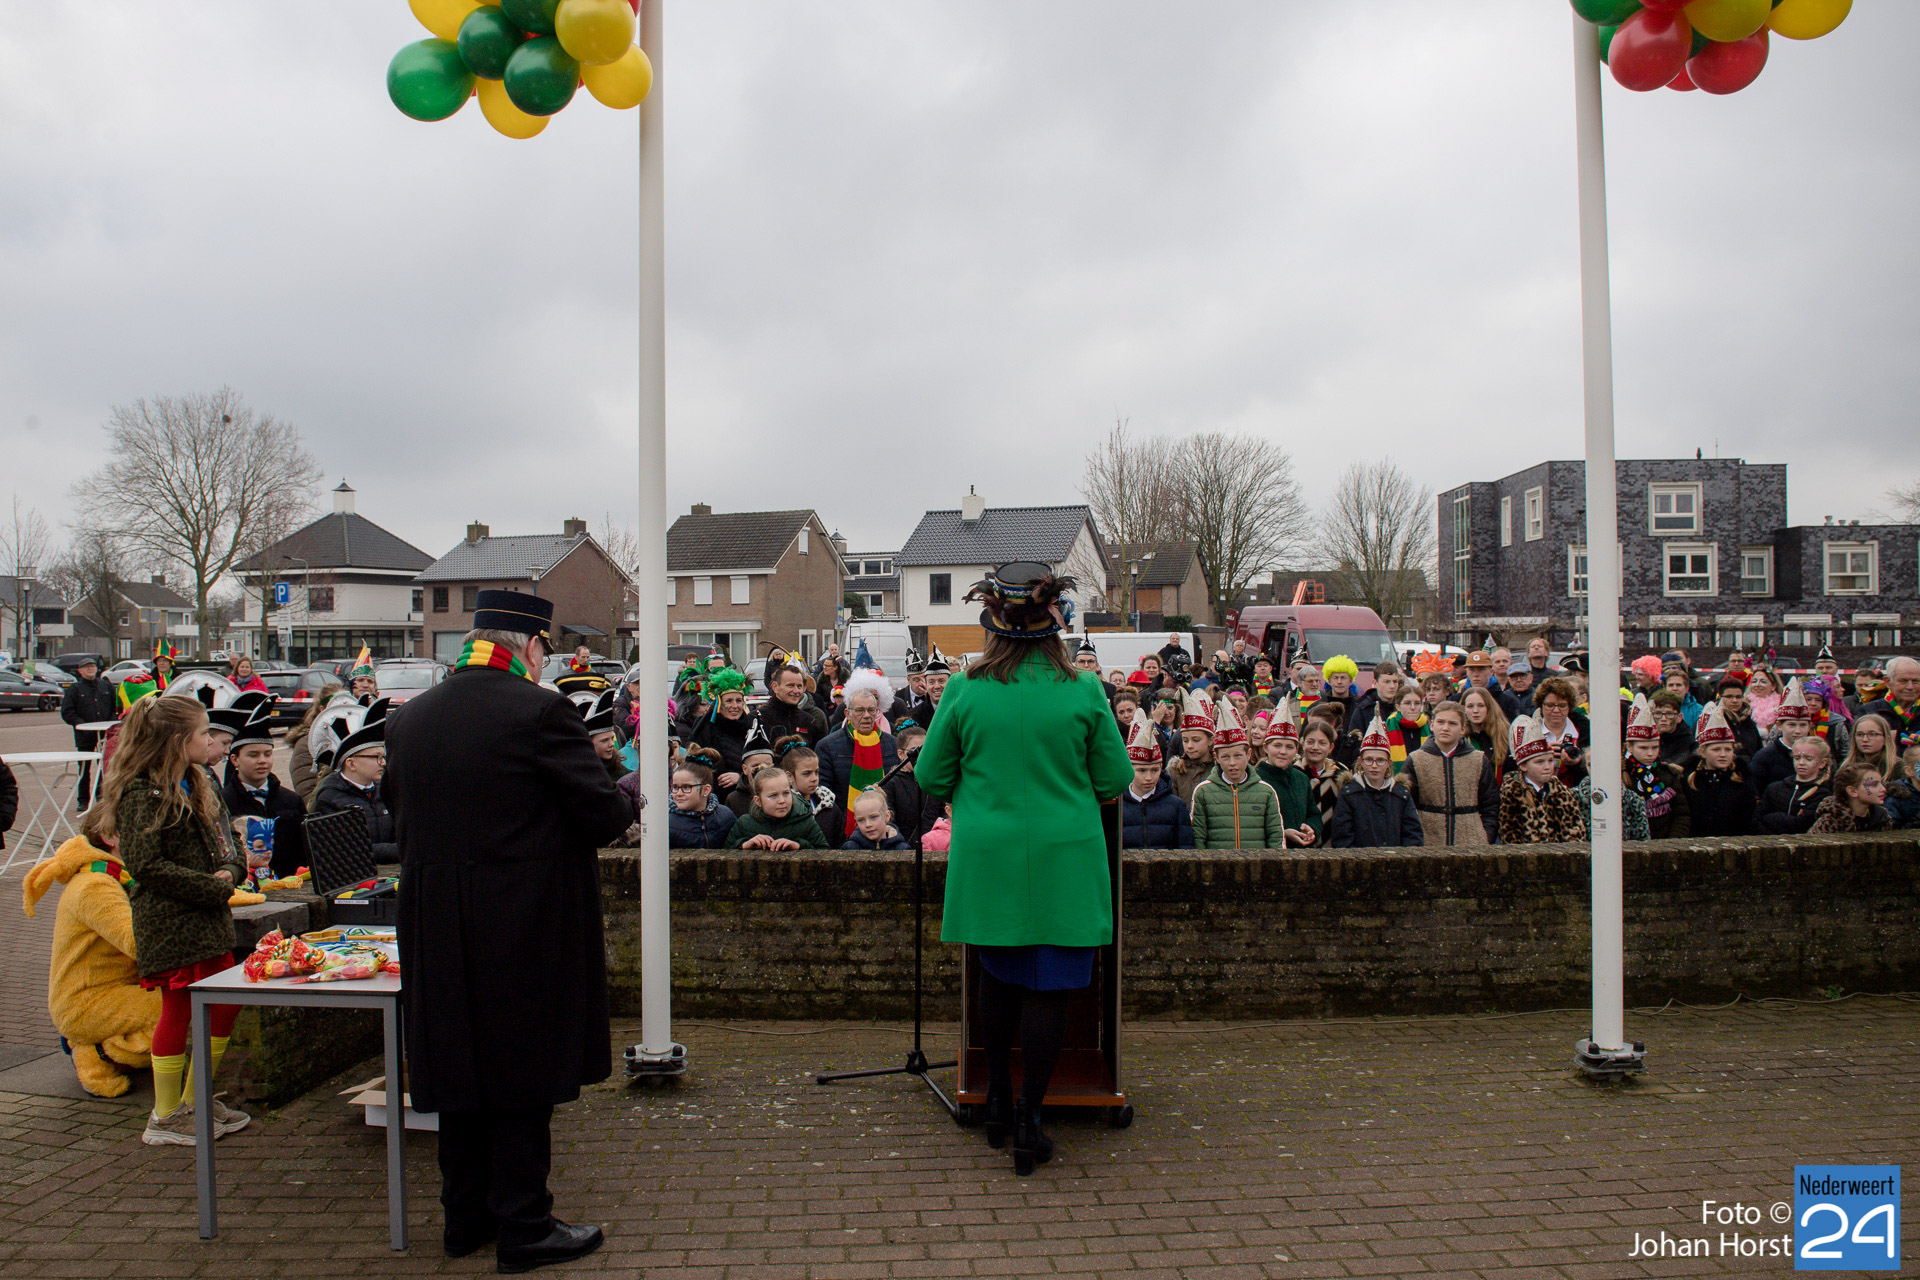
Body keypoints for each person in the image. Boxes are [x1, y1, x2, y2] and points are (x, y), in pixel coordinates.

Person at [386, 590, 639, 1270]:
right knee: (521, 1068)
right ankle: (524, 1226)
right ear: (530, 647)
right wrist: (622, 788)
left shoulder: (410, 717)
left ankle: (464, 1218)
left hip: (434, 919)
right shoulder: (542, 711)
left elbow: (400, 812)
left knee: (458, 1061)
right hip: (520, 918)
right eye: (544, 651)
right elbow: (602, 817)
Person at [915, 563, 1134, 1176]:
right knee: (1051, 985)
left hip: (990, 853)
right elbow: (1114, 779)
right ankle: (1030, 1121)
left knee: (998, 972)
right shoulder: (1083, 690)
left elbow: (931, 775)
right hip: (1067, 854)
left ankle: (996, 1100)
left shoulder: (964, 689)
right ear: (1054, 623)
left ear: (994, 623)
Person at [101, 693, 250, 1148]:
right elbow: (146, 865)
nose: (212, 741)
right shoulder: (141, 793)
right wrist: (213, 886)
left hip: (208, 917)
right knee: (179, 1009)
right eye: (204, 733)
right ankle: (166, 1115)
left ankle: (195, 1101)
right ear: (177, 739)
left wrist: (233, 869)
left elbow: (227, 841)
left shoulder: (199, 781)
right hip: (170, 923)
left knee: (224, 1005)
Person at [22, 804, 162, 1098]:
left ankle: (98, 1045)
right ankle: (97, 1052)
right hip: (87, 1000)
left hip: (119, 989)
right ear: (110, 837)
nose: (152, 837)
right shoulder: (95, 885)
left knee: (183, 1006)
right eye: (140, 830)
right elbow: (138, 942)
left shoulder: (121, 875)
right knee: (184, 1010)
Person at [221, 702, 308, 879]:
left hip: (289, 883)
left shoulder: (291, 800)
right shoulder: (222, 801)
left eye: (267, 754)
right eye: (253, 755)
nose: (262, 760)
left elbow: (304, 852)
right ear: (235, 760)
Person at [813, 670, 899, 845]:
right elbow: (824, 793)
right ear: (847, 713)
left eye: (871, 710)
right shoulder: (827, 746)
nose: (866, 716)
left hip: (886, 830)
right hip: (844, 832)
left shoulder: (892, 744)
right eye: (859, 710)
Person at [1190, 700, 1285, 850]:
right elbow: (1197, 838)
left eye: (1238, 756)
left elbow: (1276, 838)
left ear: (1248, 754)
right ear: (1216, 757)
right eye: (1225, 757)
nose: (1232, 763)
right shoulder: (1203, 792)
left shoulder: (1266, 792)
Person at [1403, 700, 1498, 847]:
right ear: (1432, 725)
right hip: (1428, 843)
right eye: (1440, 722)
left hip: (1471, 844)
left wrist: (1485, 838)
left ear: (1463, 729)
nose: (1445, 728)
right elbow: (1406, 807)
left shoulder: (1479, 760)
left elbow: (1490, 805)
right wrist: (1415, 842)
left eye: (1452, 723)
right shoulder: (1415, 760)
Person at [311, 707, 397, 862]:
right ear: (351, 764)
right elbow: (349, 849)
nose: (383, 763)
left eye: (383, 756)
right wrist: (398, 850)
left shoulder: (386, 789)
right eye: (376, 757)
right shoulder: (330, 798)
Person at [1329, 717, 1421, 848]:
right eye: (1369, 759)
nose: (1374, 765)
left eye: (1380, 760)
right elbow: (1342, 837)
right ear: (1360, 761)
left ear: (1388, 763)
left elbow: (1413, 835)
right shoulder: (1349, 794)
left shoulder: (1401, 795)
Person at [1498, 716, 1585, 844]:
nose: (1547, 767)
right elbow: (1510, 838)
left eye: (1550, 761)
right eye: (1539, 762)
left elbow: (1575, 831)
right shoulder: (1512, 793)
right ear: (1523, 766)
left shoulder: (1561, 791)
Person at [1118, 708, 1194, 849]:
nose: (1149, 777)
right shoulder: (1116, 806)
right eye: (1141, 770)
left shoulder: (1176, 806)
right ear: (1128, 768)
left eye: (1154, 770)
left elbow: (1186, 848)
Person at [1253, 698, 1319, 847]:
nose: (1283, 752)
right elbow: (1251, 824)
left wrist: (1311, 829)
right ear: (1266, 747)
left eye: (1289, 747)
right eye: (1277, 745)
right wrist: (1283, 833)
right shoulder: (1255, 780)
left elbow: (1313, 814)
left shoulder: (1301, 779)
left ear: (1296, 750)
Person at [1623, 694, 1690, 839]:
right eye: (1643, 748)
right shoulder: (1621, 777)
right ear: (1630, 746)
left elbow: (1681, 814)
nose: (1650, 753)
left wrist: (1672, 842)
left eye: (1655, 747)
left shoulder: (1668, 774)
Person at [1683, 702, 1756, 837]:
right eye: (1716, 749)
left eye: (1728, 750)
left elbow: (1749, 818)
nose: (1723, 754)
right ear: (1703, 752)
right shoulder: (1690, 780)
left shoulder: (1742, 780)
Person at [723, 764, 831, 850]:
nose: (782, 801)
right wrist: (744, 845)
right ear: (758, 801)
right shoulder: (744, 824)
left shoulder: (806, 822)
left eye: (786, 793)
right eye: (773, 796)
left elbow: (824, 853)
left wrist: (799, 845)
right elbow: (725, 853)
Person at [60, 656, 117, 810]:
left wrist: (110, 724)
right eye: (87, 667)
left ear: (97, 669)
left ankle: (102, 798)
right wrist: (82, 725)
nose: (90, 669)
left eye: (92, 666)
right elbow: (67, 712)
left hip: (104, 736)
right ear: (80, 671)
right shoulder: (74, 689)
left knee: (104, 768)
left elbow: (115, 708)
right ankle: (83, 800)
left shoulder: (106, 686)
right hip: (84, 737)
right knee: (84, 769)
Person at [690, 667, 755, 796]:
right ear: (718, 703)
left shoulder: (752, 727)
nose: (735, 706)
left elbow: (764, 766)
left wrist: (741, 778)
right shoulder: (705, 728)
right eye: (728, 701)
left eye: (738, 700)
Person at [880, 725, 942, 850]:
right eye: (914, 750)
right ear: (901, 754)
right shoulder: (890, 783)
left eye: (925, 749)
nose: (921, 755)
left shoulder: (936, 780)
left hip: (935, 849)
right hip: (901, 849)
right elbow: (889, 821)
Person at [284, 683, 343, 807]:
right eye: (335, 707)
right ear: (322, 709)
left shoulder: (354, 741)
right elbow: (307, 792)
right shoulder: (307, 744)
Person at [1757, 736, 1831, 835]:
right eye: (1797, 758)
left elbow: (1801, 824)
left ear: (1822, 763)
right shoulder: (1774, 788)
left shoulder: (1823, 794)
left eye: (1809, 759)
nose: (1801, 763)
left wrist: (1772, 817)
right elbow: (1757, 820)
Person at [1749, 678, 1813, 792]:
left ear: (1809, 726)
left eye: (1803, 725)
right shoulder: (1764, 757)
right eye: (1792, 725)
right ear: (1779, 725)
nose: (1798, 731)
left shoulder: (1818, 755)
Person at [777, 736, 839, 848]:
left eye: (816, 772)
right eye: (807, 773)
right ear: (789, 776)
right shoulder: (782, 808)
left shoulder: (829, 806)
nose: (814, 778)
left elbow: (840, 843)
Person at [667, 752, 736, 849]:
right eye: (675, 787)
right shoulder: (667, 824)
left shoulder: (726, 817)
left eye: (686, 787)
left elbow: (734, 845)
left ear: (706, 790)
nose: (679, 793)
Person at [1531, 677, 1589, 788]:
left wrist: (1578, 763)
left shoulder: (1585, 730)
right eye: (1550, 705)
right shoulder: (1528, 730)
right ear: (1541, 705)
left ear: (1569, 706)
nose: (1556, 710)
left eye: (1562, 706)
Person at [1807, 761, 1891, 834]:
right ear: (1852, 791)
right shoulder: (1832, 821)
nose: (1883, 789)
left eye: (1881, 783)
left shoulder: (1881, 818)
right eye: (1874, 785)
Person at [760, 660, 829, 746]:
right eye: (790, 686)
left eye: (799, 686)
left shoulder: (809, 721)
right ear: (775, 687)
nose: (796, 691)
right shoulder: (760, 718)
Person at [1165, 687, 1216, 806]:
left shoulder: (1219, 769)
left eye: (1196, 740)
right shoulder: (1175, 772)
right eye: (1185, 740)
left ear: (1210, 740)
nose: (1190, 746)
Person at [1859, 655, 1920, 751]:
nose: (1910, 687)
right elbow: (1863, 745)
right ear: (1888, 682)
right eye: (1903, 681)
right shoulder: (1871, 711)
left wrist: (1896, 735)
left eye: (1916, 681)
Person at [1460, 685, 1511, 787]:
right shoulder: (1459, 739)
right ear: (1463, 709)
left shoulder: (1504, 736)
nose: (1475, 710)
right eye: (1470, 706)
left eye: (1481, 706)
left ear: (1489, 708)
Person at [841, 789, 913, 851]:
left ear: (887, 816)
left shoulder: (902, 849)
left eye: (874, 817)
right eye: (861, 820)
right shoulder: (850, 848)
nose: (868, 824)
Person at [1715, 674, 1763, 762]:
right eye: (1729, 697)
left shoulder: (1749, 723)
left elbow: (1759, 751)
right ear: (1720, 698)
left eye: (1738, 697)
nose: (1734, 701)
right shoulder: (1714, 721)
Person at [1385, 686, 1427, 777]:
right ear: (1398, 706)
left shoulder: (1429, 727)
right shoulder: (1387, 728)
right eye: (1407, 703)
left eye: (1417, 703)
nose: (1413, 707)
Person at [1649, 691, 1695, 766]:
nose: (1663, 719)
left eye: (1669, 714)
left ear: (1679, 717)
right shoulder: (1645, 738)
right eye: (1658, 713)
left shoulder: (1689, 744)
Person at [1745, 666, 1783, 733]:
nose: (1757, 685)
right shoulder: (1744, 704)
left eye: (1763, 682)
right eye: (1754, 681)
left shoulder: (1781, 706)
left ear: (1773, 686)